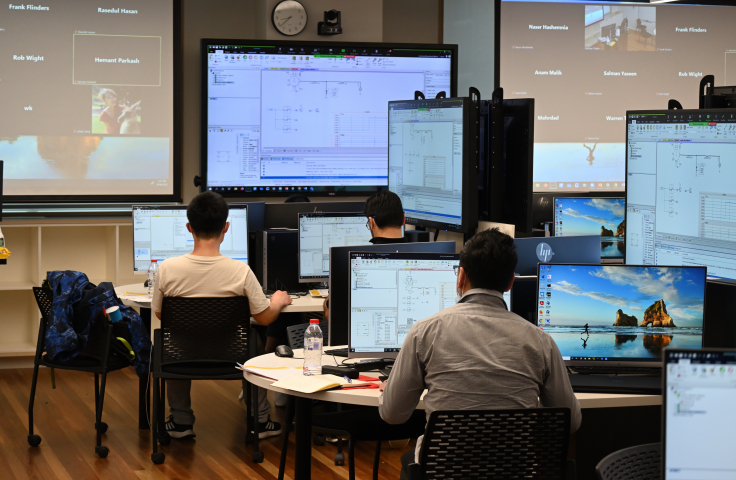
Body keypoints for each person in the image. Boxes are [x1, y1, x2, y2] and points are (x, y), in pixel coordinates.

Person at [378, 229, 581, 479]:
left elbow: (393, 414)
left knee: (411, 459)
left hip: (441, 471)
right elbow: (570, 421)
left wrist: (394, 388)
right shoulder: (541, 341)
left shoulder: (424, 332)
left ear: (460, 277)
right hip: (514, 473)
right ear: (510, 282)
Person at [152, 191, 293, 440]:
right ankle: (259, 420)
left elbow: (162, 314)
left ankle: (181, 421)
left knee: (170, 341)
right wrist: (278, 302)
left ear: (188, 227)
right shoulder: (241, 271)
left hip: (181, 355)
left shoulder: (167, 268)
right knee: (256, 344)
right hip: (233, 354)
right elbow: (263, 318)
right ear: (226, 227)